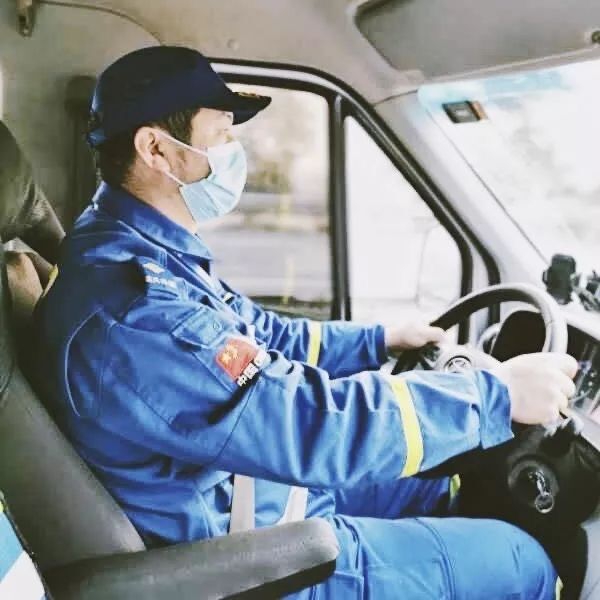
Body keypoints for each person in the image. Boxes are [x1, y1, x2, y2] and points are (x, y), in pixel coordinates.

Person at [34, 46, 578, 598]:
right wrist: (493, 396)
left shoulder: (135, 248)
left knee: (442, 487)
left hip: (252, 487)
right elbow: (309, 427)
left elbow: (261, 336)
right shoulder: (136, 314)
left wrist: (378, 340)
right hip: (250, 556)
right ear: (156, 149)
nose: (234, 152)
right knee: (523, 561)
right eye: (221, 135)